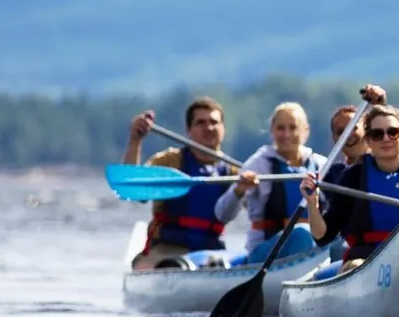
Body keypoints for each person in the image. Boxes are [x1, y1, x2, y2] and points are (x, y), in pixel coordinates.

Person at [303, 102, 399, 280]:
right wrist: (312, 203)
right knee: (355, 266)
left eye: (392, 132)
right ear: (368, 140)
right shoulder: (353, 176)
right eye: (377, 134)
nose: (386, 139)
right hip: (365, 258)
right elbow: (323, 236)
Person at [123, 97, 233, 270]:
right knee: (149, 266)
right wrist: (136, 140)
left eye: (214, 122)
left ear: (223, 129)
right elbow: (134, 190)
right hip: (166, 249)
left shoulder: (234, 172)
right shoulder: (168, 162)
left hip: (212, 252)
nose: (209, 128)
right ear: (189, 130)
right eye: (200, 123)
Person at [214, 101, 329, 264]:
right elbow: (221, 214)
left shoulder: (321, 165)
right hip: (265, 254)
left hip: (313, 250)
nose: (287, 134)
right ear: (272, 131)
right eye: (281, 128)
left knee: (338, 240)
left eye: (293, 127)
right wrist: (239, 189)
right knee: (302, 232)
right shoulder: (258, 164)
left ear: (306, 131)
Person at [321, 84, 385, 185]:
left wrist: (380, 104)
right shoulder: (332, 175)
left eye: (353, 128)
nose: (347, 135)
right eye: (341, 132)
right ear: (334, 139)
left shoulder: (385, 165)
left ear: (366, 130)